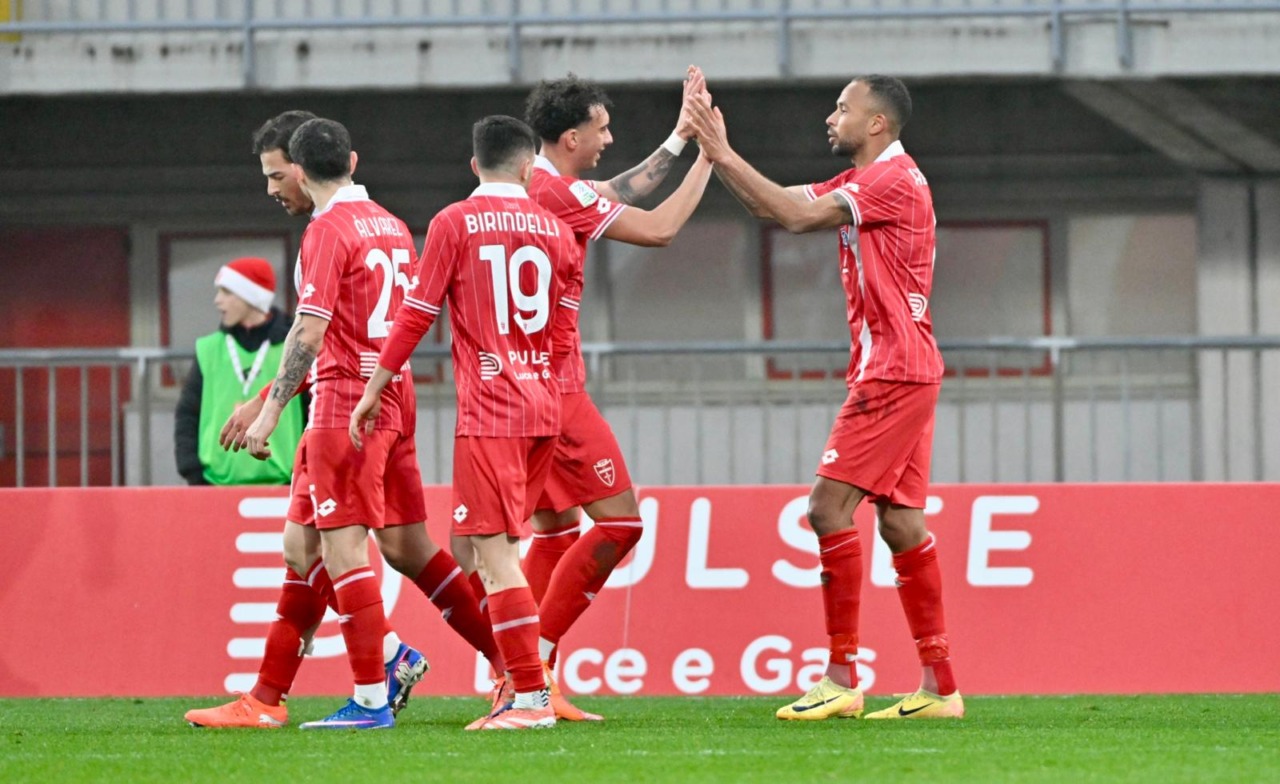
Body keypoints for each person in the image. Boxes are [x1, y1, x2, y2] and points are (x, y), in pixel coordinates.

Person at [186, 113, 499, 730]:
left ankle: (372, 694)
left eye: (276, 175)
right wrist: (267, 398)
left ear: (301, 170)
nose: (272, 188)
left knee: (338, 549)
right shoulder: (389, 224)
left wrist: (270, 412)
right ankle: (272, 696)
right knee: (369, 546)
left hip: (344, 406)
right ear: (352, 162)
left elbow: (312, 331)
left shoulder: (326, 232)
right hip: (392, 394)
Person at [685, 74, 964, 720]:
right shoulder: (866, 181)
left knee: (826, 508)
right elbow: (777, 205)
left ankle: (841, 676)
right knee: (900, 522)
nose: (831, 118)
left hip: (892, 371)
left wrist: (721, 152)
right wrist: (718, 155)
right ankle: (940, 687)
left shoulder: (891, 180)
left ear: (877, 124)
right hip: (905, 367)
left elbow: (795, 216)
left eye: (843, 108)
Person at [351, 115, 580, 731]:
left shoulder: (454, 222)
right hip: (544, 407)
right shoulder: (560, 233)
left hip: (491, 410)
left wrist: (376, 385)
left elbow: (417, 312)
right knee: (480, 547)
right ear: (530, 167)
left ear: (475, 165)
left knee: (494, 555)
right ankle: (522, 683)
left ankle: (528, 697)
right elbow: (564, 335)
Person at [517, 69, 714, 720]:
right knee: (621, 522)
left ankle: (521, 677)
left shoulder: (535, 183)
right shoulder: (558, 194)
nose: (608, 139)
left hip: (516, 384)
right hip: (555, 388)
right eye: (601, 129)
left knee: (553, 530)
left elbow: (616, 190)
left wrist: (680, 136)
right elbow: (657, 229)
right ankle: (531, 664)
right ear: (571, 137)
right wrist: (710, 158)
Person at [174, 256, 305, 486]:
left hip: (285, 485)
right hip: (213, 485)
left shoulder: (295, 347)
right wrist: (193, 473)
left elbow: (312, 411)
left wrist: (305, 471)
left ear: (250, 296)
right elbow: (187, 414)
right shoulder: (208, 349)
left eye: (226, 292)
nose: (217, 301)